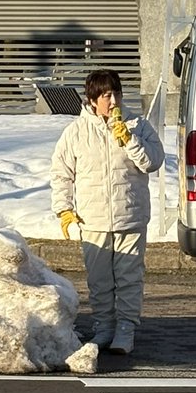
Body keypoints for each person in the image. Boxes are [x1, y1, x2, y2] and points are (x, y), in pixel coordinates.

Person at [50, 69, 164, 355]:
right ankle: (103, 327)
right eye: (106, 96)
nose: (113, 101)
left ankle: (125, 329)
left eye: (117, 94)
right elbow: (61, 174)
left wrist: (129, 140)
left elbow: (153, 162)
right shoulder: (76, 132)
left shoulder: (137, 125)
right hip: (93, 220)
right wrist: (64, 210)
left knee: (129, 278)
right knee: (99, 280)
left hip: (130, 215)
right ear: (92, 100)